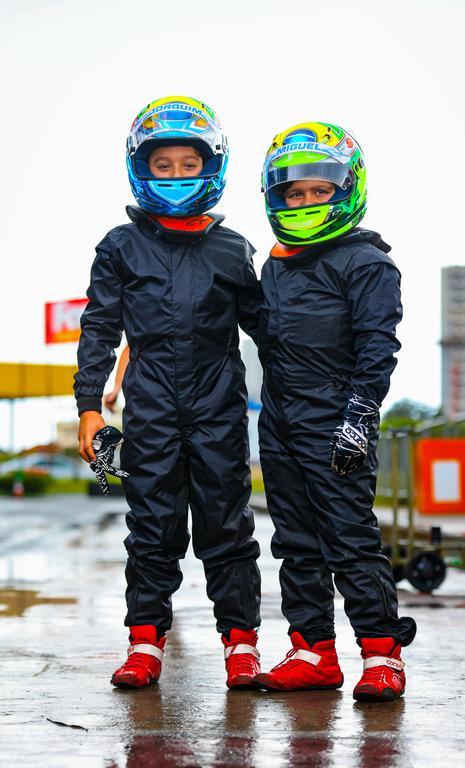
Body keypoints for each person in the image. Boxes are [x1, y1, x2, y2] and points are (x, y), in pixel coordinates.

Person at [75, 96, 262, 690]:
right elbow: (99, 330)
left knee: (226, 527)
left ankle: (241, 645)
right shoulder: (119, 246)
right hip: (151, 405)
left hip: (219, 406)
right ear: (140, 169)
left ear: (213, 166)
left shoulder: (235, 250)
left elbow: (273, 335)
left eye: (189, 163)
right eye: (163, 166)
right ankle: (144, 642)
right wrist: (87, 408)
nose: (177, 175)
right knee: (152, 526)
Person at [253, 122, 416, 701]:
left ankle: (382, 654)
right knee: (295, 542)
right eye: (293, 194)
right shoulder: (273, 266)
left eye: (318, 191)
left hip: (336, 422)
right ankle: (313, 651)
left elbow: (379, 347)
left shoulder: (367, 263)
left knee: (349, 539)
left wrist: (359, 416)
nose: (304, 201)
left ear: (345, 189)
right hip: (279, 421)